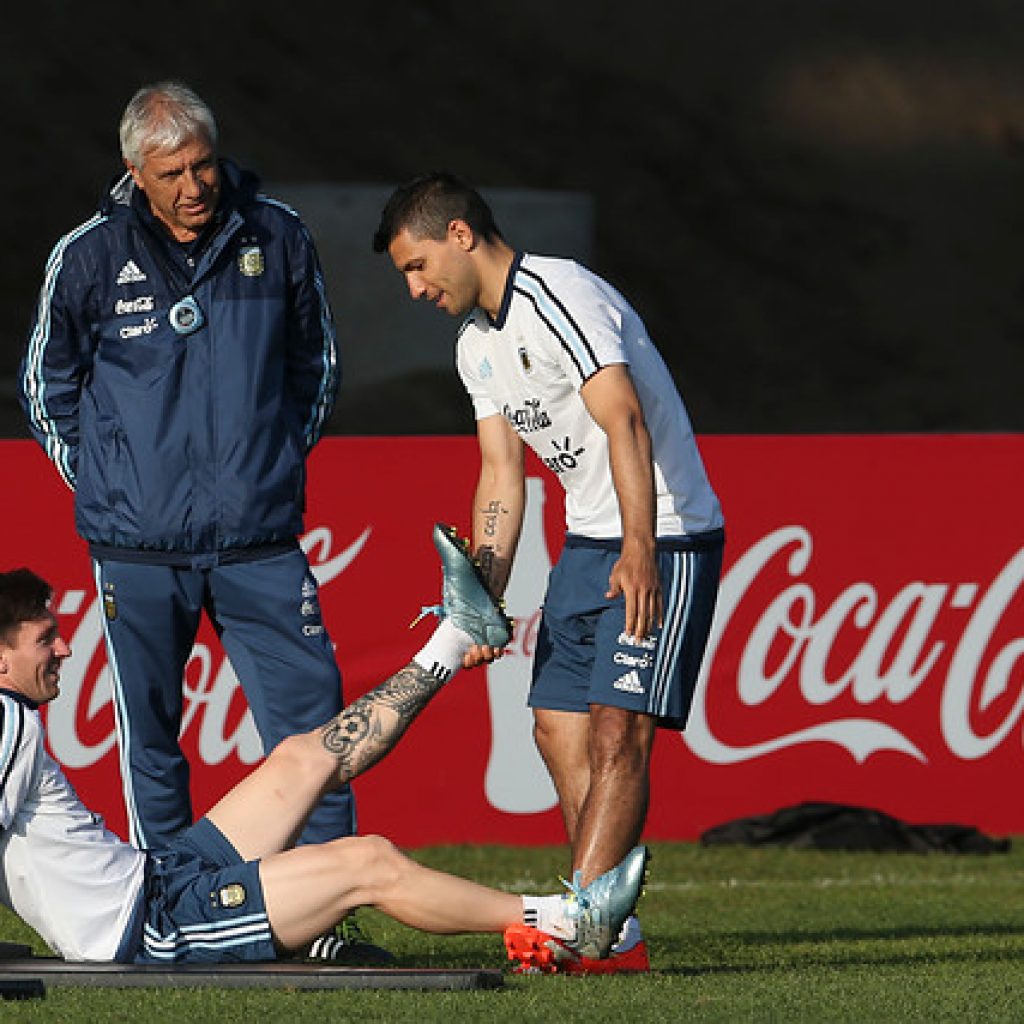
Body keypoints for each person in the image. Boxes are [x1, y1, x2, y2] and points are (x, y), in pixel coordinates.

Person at [16, 82, 373, 959]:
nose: (194, 185)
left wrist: (270, 467)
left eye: (204, 163)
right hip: (134, 547)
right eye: (172, 171)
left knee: (317, 729)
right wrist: (104, 485)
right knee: (153, 738)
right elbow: (45, 387)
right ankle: (174, 907)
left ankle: (323, 913)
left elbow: (315, 365)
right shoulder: (90, 256)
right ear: (135, 172)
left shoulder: (277, 232)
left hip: (258, 540)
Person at [0, 528, 647, 968]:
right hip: (144, 929)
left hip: (157, 877)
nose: (64, 648)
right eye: (45, 640)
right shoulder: (8, 718)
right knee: (365, 862)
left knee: (300, 759)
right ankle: (566, 920)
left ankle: (455, 636)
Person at [374, 173, 725, 974]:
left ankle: (580, 929)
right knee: (555, 730)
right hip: (587, 543)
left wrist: (641, 548)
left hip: (662, 536)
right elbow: (502, 474)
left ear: (460, 235)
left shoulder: (561, 293)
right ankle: (608, 926)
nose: (416, 287)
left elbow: (623, 416)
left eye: (418, 265)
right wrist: (481, 605)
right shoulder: (476, 346)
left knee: (617, 734)